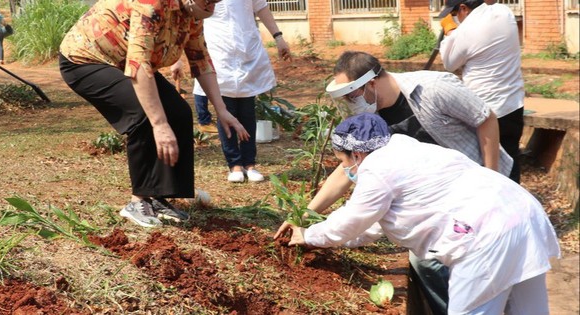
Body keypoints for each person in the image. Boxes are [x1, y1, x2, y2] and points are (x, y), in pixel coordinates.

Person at [275, 113, 560, 315]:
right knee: (529, 310)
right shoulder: (406, 149)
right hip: (523, 213)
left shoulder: (377, 168)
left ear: (357, 155)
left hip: (486, 235)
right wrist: (323, 239)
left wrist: (308, 235)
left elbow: (351, 221)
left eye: (342, 162)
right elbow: (372, 226)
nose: (345, 171)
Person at [313, 50, 514, 314]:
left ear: (370, 84)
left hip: (482, 184)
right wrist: (309, 212)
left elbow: (485, 118)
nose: (351, 105)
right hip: (442, 198)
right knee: (431, 262)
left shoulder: (433, 89)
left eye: (352, 96)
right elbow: (347, 169)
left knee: (484, 269)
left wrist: (492, 177)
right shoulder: (371, 118)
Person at [59, 0, 249, 228]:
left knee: (178, 112)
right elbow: (138, 63)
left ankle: (159, 197)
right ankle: (137, 201)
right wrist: (159, 124)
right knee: (143, 114)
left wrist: (222, 110)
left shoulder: (193, 14)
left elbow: (199, 60)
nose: (213, 4)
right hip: (86, 60)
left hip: (123, 60)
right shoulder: (151, 5)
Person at [192, 0, 291, 183]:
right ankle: (234, 164)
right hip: (219, 50)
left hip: (247, 51)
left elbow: (261, 7)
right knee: (226, 110)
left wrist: (278, 37)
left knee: (247, 112)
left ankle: (250, 164)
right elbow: (193, 13)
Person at [439, 0, 525, 183]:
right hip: (513, 104)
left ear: (463, 8)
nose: (456, 19)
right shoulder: (504, 12)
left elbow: (449, 63)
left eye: (455, 14)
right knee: (511, 160)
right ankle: (517, 204)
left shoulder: (466, 30)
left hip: (485, 112)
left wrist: (450, 30)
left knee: (486, 169)